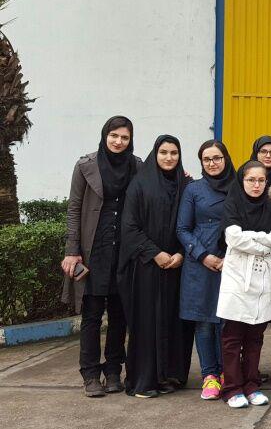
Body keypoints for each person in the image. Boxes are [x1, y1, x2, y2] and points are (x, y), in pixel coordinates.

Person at [62, 116, 141, 397]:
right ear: (105, 135)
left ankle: (113, 371)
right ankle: (91, 374)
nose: (119, 142)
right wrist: (72, 251)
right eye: (114, 136)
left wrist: (184, 177)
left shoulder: (137, 166)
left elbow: (159, 183)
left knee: (120, 315)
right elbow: (74, 208)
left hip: (124, 250)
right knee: (92, 315)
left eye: (125, 137)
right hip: (94, 250)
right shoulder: (85, 165)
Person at [118, 135, 190, 398]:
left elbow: (192, 224)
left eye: (174, 153)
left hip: (176, 268)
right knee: (147, 323)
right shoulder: (139, 184)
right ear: (155, 154)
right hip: (146, 267)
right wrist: (155, 253)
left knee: (174, 322)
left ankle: (170, 376)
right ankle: (144, 380)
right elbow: (129, 226)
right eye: (164, 152)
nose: (169, 157)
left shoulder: (186, 185)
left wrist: (181, 253)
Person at [216, 161, 271, 408]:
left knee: (255, 336)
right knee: (233, 336)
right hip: (238, 277)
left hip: (263, 278)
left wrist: (252, 238)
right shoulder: (232, 204)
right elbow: (233, 238)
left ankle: (251, 385)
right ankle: (232, 388)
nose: (256, 185)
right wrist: (263, 241)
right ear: (241, 181)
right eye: (251, 180)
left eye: (261, 180)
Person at [176, 140, 235, 401]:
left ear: (226, 159)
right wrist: (202, 255)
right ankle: (209, 375)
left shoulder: (238, 187)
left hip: (231, 262)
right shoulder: (193, 189)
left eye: (217, 158)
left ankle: (227, 373)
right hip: (200, 264)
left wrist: (228, 257)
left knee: (226, 321)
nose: (212, 163)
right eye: (207, 159)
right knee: (204, 322)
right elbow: (182, 228)